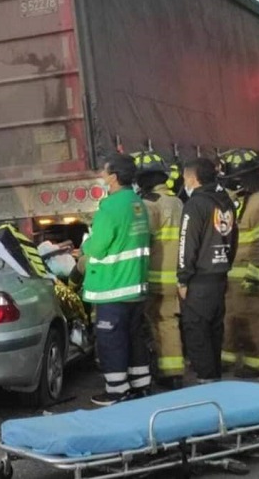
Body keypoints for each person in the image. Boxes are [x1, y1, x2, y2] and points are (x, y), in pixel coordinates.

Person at [82, 155, 151, 406]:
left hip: (113, 287)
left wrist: (85, 243)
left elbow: (98, 248)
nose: (101, 174)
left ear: (113, 177)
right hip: (135, 285)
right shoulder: (137, 203)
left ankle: (116, 391)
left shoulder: (110, 207)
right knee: (135, 338)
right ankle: (141, 385)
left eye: (104, 171)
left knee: (111, 341)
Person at [177, 158, 238, 384]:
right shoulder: (226, 202)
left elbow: (187, 243)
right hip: (219, 277)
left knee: (197, 332)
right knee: (214, 331)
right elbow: (234, 238)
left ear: (194, 178)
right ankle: (215, 380)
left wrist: (183, 279)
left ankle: (206, 383)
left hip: (199, 281)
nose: (185, 182)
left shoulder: (195, 204)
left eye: (185, 178)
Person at [132, 152, 185, 390]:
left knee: (155, 323)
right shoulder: (176, 201)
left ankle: (162, 371)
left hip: (154, 276)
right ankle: (173, 371)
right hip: (176, 276)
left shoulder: (148, 204)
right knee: (169, 322)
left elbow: (142, 239)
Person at [219, 149, 259, 378]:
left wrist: (256, 275)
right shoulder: (243, 199)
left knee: (254, 321)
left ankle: (257, 364)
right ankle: (228, 359)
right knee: (231, 318)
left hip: (250, 276)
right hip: (234, 276)